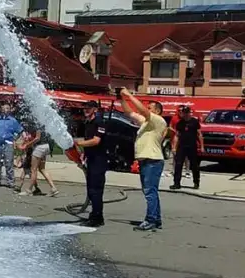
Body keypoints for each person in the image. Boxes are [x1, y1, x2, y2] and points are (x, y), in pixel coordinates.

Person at [120, 88, 167, 231]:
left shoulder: (158, 121)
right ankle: (156, 218)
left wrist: (129, 95)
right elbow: (129, 113)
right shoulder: (146, 123)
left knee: (149, 191)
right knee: (151, 190)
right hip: (146, 160)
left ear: (157, 111)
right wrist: (122, 98)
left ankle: (150, 219)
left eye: (150, 108)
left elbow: (142, 111)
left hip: (152, 160)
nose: (147, 109)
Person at [74, 100, 109, 227]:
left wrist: (78, 144)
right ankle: (94, 214)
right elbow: (88, 141)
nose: (86, 110)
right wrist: (84, 153)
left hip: (99, 160)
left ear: (95, 109)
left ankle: (97, 218)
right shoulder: (88, 123)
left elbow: (96, 141)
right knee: (91, 189)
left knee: (96, 190)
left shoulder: (100, 122)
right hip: (91, 159)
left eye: (89, 108)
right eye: (85, 108)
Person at [20, 123, 59, 197]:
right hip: (46, 147)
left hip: (40, 147)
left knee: (33, 169)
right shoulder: (43, 124)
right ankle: (53, 188)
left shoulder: (37, 124)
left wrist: (27, 145)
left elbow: (38, 138)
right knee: (42, 169)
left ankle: (29, 190)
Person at [171, 106, 203, 190]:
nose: (185, 114)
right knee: (178, 164)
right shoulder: (180, 123)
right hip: (182, 146)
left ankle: (196, 182)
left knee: (194, 165)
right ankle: (176, 183)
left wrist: (202, 146)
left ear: (189, 113)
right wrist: (174, 147)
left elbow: (199, 134)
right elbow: (177, 136)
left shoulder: (194, 122)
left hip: (192, 146)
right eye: (183, 113)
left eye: (186, 112)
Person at [0, 104, 22, 187]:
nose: (4, 110)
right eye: (3, 108)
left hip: (8, 144)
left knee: (9, 163)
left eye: (7, 108)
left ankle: (11, 182)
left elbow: (20, 131)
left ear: (9, 110)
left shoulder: (13, 120)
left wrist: (14, 139)